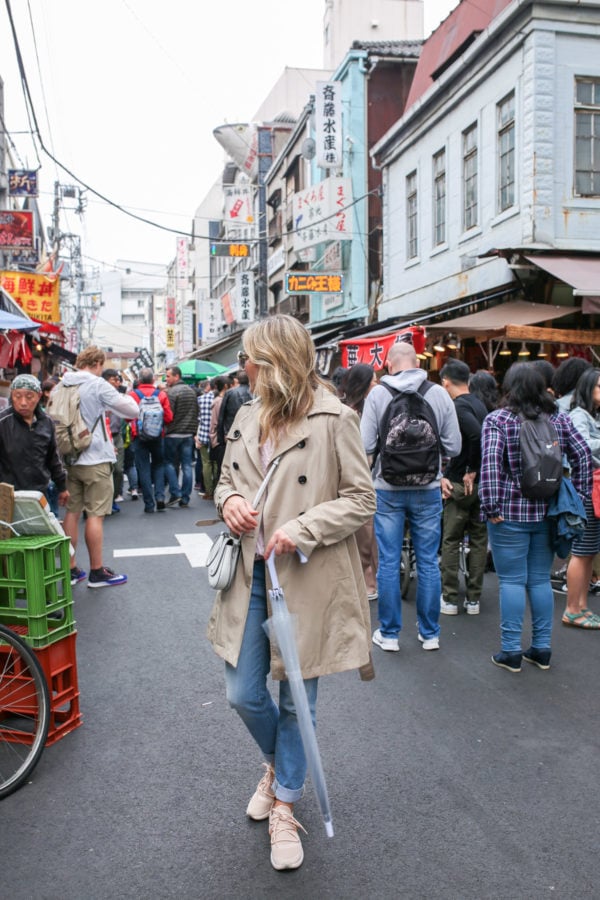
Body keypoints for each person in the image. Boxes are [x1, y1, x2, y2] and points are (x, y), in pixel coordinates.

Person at [207, 314, 375, 872]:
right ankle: (282, 769)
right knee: (242, 693)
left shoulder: (335, 419)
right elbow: (227, 479)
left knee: (298, 701)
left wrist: (302, 528)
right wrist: (227, 501)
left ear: (275, 362)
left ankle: (285, 805)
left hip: (304, 578)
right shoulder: (247, 413)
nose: (244, 368)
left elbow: (360, 498)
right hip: (248, 577)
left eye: (250, 358)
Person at [479, 362, 591, 671]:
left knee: (512, 582)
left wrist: (490, 507)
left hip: (508, 515)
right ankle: (541, 649)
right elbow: (582, 454)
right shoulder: (558, 418)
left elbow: (490, 466)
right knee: (539, 580)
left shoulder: (498, 420)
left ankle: (511, 651)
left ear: (509, 387)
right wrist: (578, 497)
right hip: (548, 511)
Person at [361, 341, 461, 652]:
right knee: (429, 561)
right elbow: (454, 446)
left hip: (387, 490)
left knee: (389, 562)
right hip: (428, 488)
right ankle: (430, 633)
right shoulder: (438, 393)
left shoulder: (378, 394)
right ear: (418, 362)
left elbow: (365, 445)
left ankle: (389, 634)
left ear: (388, 364)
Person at [61, 346, 139, 588]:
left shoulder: (62, 384)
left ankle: (71, 569)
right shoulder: (97, 384)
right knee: (95, 515)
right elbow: (132, 410)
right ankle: (97, 571)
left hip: (69, 457)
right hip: (94, 458)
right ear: (97, 364)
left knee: (72, 513)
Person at [439, 359, 489, 615]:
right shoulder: (479, 403)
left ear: (446, 381)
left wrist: (470, 467)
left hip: (461, 483)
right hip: (482, 485)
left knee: (451, 539)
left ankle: (449, 598)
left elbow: (476, 434)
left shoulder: (458, 407)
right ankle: (473, 599)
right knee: (479, 540)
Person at [562, 367, 600, 628]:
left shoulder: (590, 414)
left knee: (588, 552)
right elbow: (584, 447)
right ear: (588, 388)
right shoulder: (578, 415)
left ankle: (582, 606)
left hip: (591, 490)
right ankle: (572, 609)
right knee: (582, 551)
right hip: (585, 490)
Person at [0, 374, 69, 514]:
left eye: (29, 396)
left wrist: (62, 487)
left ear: (38, 396)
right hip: (8, 496)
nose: (23, 402)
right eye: (17, 396)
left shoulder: (46, 422)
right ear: (11, 396)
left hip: (40, 494)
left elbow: (53, 458)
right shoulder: (3, 422)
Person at [340, 363, 379, 599]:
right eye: (374, 381)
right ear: (364, 385)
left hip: (361, 480)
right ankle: (367, 582)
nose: (377, 384)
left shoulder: (363, 410)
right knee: (364, 534)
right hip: (359, 480)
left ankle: (367, 579)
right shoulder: (352, 415)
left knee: (366, 534)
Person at [129, 368, 173, 514]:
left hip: (139, 436)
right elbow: (168, 417)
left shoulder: (133, 395)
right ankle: (160, 496)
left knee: (143, 468)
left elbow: (127, 417)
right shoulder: (161, 394)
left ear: (139, 380)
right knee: (159, 466)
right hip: (157, 435)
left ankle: (149, 504)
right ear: (153, 380)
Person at [164, 365, 198, 508]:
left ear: (176, 376)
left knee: (169, 463)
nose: (166, 379)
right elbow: (196, 412)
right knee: (186, 466)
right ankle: (185, 497)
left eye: (168, 376)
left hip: (173, 433)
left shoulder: (171, 393)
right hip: (188, 434)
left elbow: (168, 415)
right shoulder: (191, 392)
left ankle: (175, 492)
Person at [102, 368, 125, 511]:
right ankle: (105, 501)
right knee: (104, 471)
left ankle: (113, 497)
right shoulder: (99, 396)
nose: (117, 383)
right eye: (114, 380)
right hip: (103, 437)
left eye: (118, 380)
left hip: (117, 436)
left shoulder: (119, 397)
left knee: (118, 470)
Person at [216, 368, 252, 447]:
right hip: (252, 431)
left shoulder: (230, 393)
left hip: (233, 432)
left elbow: (221, 416)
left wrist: (221, 437)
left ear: (238, 380)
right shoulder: (255, 391)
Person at [195, 378, 215, 500]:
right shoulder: (219, 400)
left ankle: (208, 490)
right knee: (216, 463)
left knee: (206, 463)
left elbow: (198, 418)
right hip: (216, 435)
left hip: (202, 434)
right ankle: (217, 488)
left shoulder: (200, 399)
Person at [209, 375, 230, 482]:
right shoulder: (219, 401)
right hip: (219, 441)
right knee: (221, 470)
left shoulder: (222, 399)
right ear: (226, 386)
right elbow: (214, 423)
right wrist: (214, 440)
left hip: (220, 440)